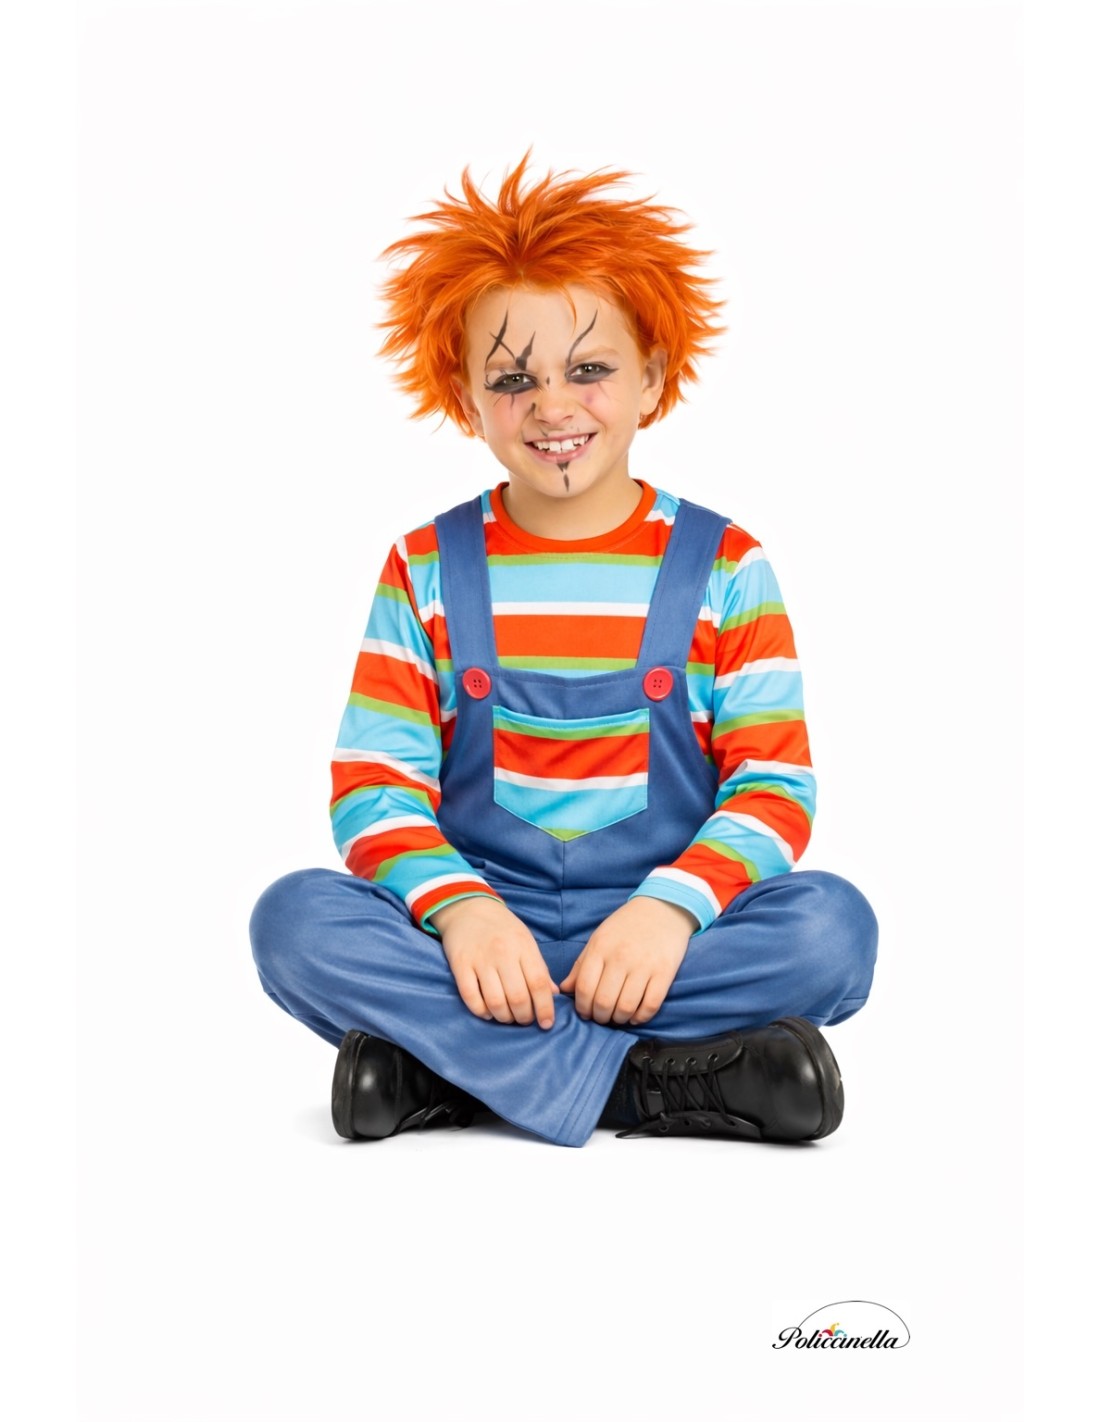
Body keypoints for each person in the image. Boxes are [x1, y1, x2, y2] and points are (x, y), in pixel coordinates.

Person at [249, 156, 878, 1148]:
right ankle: (656, 1086)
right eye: (512, 379)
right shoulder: (423, 566)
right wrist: (462, 913)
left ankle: (448, 1070)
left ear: (652, 376)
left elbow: (773, 787)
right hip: (477, 953)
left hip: (661, 949)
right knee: (292, 923)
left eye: (589, 370)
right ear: (465, 396)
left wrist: (669, 910)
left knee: (833, 933)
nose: (552, 407)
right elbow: (374, 787)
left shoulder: (726, 565)